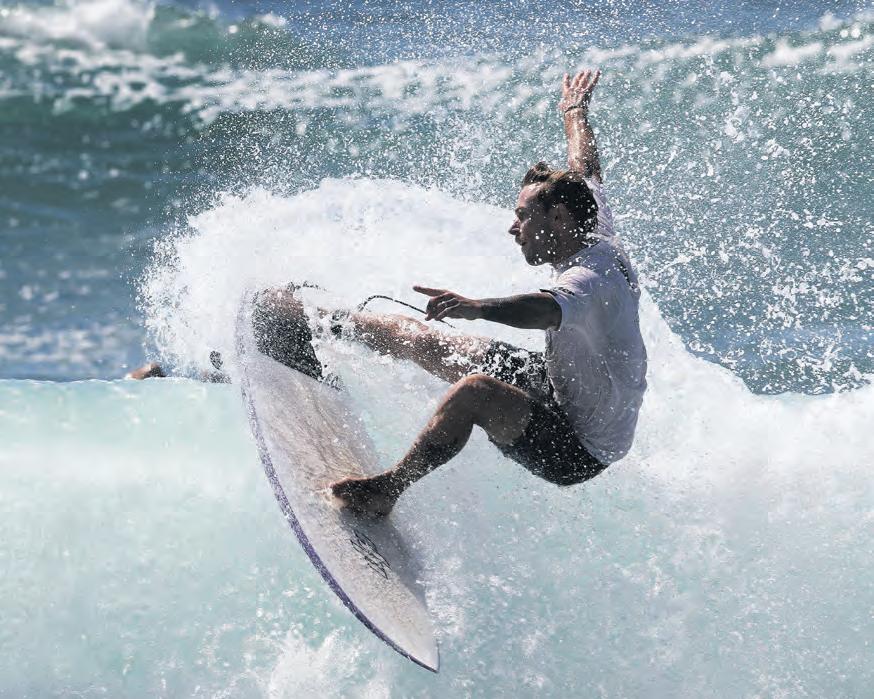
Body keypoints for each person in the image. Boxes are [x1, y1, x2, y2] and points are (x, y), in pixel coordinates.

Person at [328, 69, 648, 516]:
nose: (514, 228)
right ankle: (322, 324)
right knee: (431, 341)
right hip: (559, 384)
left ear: (558, 218)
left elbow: (545, 310)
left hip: (580, 445)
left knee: (475, 391)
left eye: (523, 216)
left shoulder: (591, 278)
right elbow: (585, 168)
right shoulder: (591, 224)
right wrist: (574, 110)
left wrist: (476, 307)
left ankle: (388, 491)